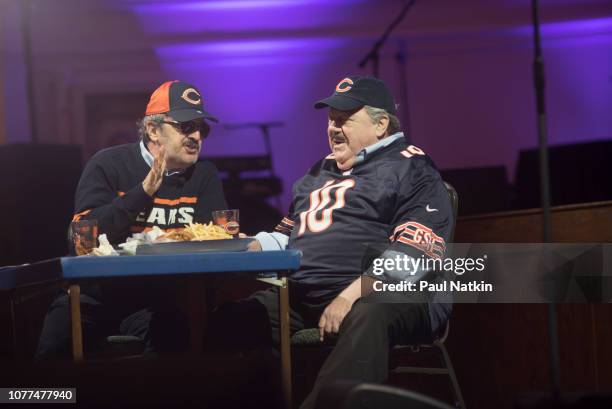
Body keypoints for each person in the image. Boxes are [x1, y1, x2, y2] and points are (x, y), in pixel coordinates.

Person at [211, 75, 454, 409]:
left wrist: (348, 296)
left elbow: (413, 254)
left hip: (389, 296)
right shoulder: (318, 172)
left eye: (346, 120)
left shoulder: (413, 168)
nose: (334, 128)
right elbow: (285, 236)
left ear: (381, 124)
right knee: (228, 321)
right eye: (331, 120)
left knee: (370, 312)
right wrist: (244, 246)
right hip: (304, 295)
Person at [36, 80, 228, 359]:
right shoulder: (108, 164)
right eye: (186, 126)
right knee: (50, 357)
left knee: (175, 336)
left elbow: (215, 242)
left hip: (156, 301)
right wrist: (144, 192)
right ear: (153, 129)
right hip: (94, 297)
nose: (197, 136)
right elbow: (81, 239)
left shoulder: (205, 175)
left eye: (202, 128)